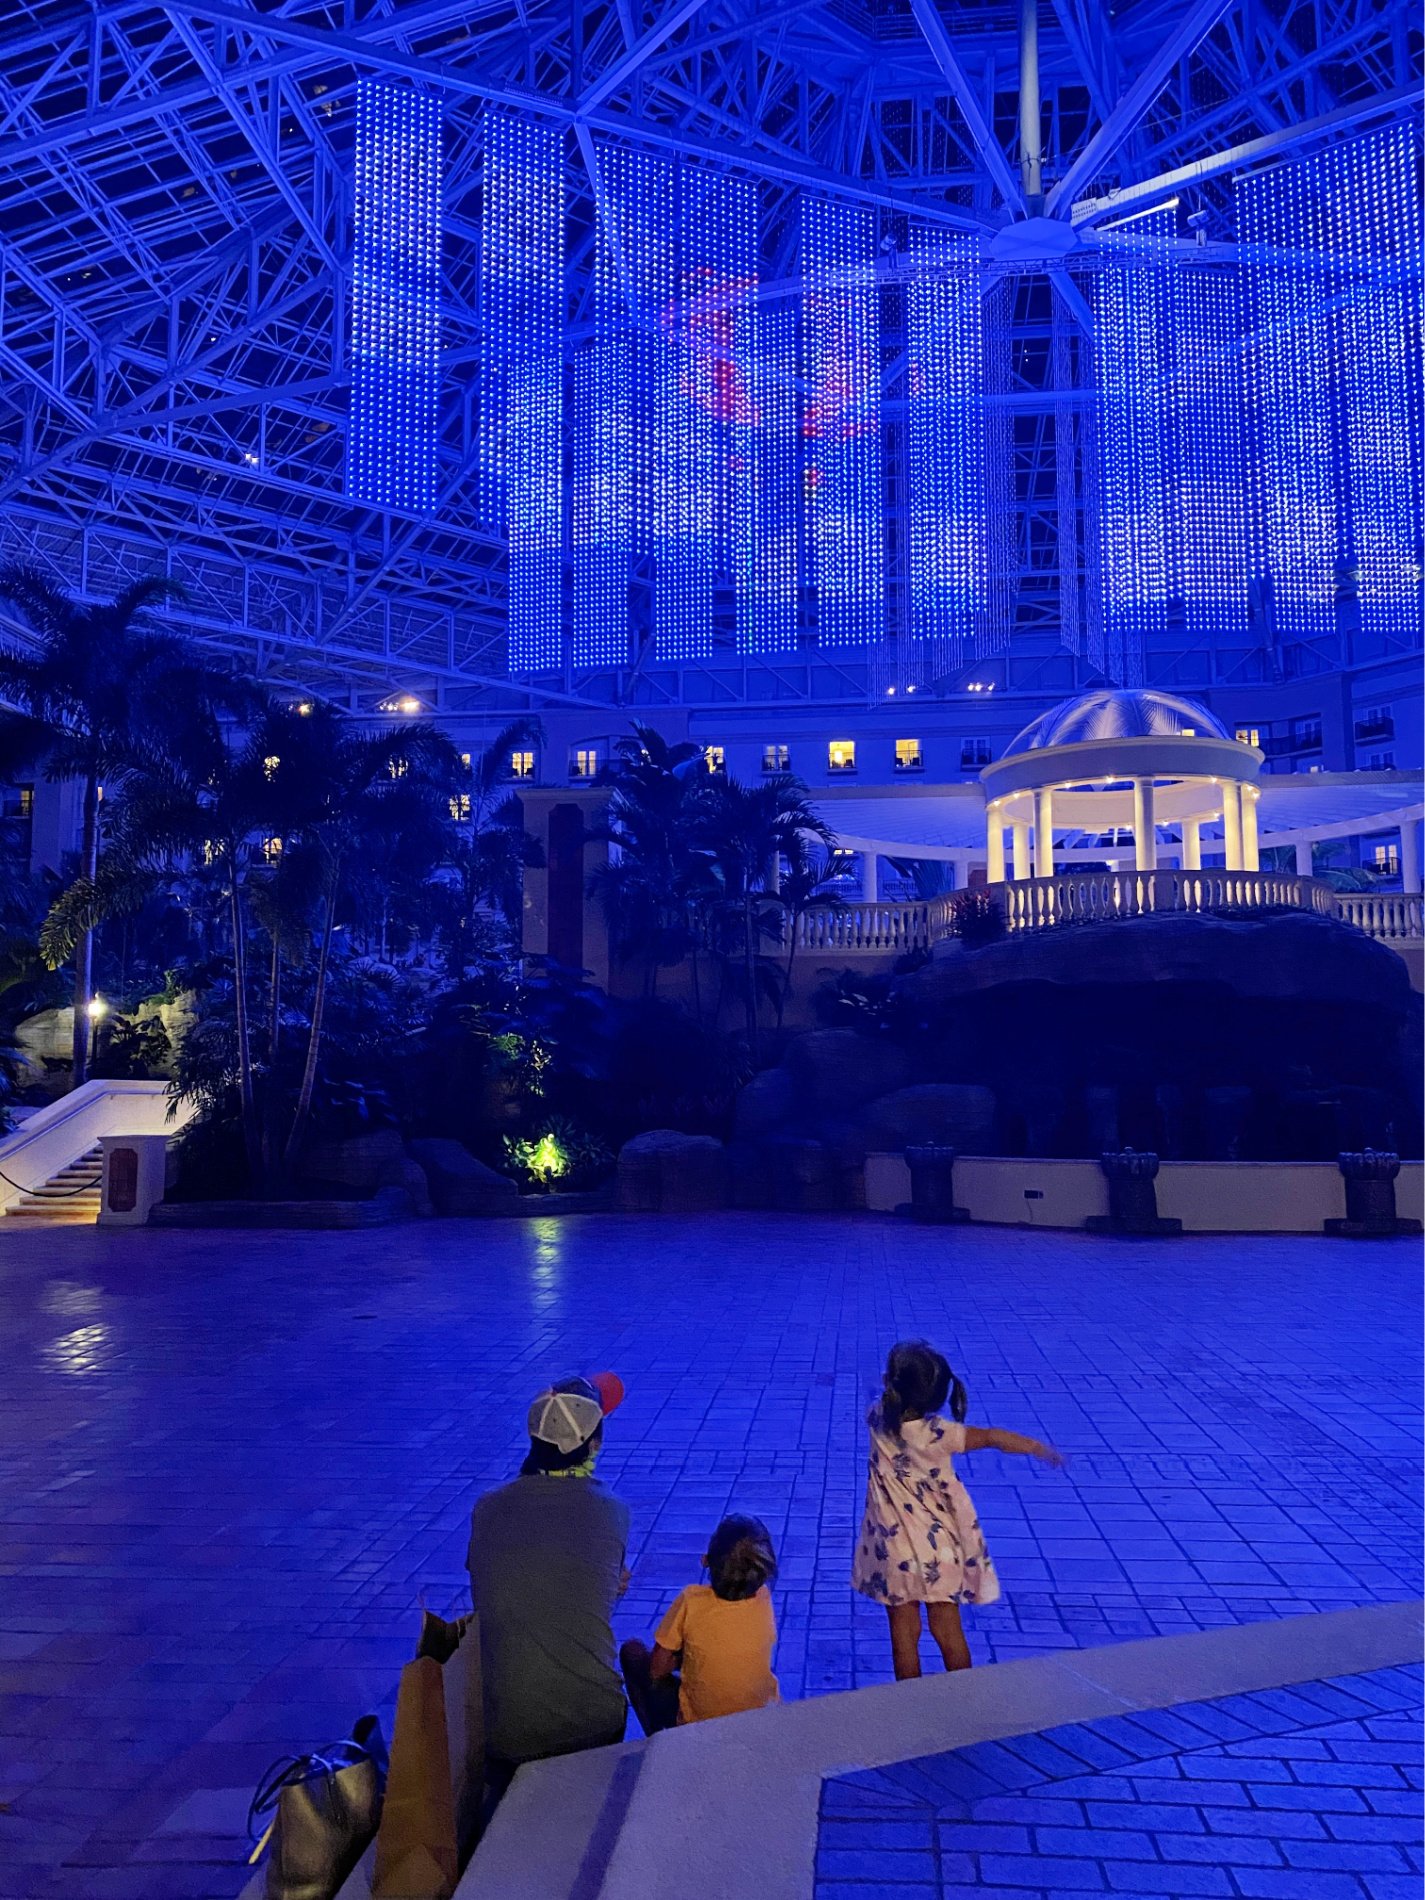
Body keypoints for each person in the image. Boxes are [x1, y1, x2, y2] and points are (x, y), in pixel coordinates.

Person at [853, 1340, 1063, 1681]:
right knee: (948, 1631)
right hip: (940, 1552)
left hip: (892, 1551)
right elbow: (993, 1437)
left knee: (903, 1636)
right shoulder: (942, 1434)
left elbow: (885, 1397)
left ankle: (910, 1702)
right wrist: (1038, 1448)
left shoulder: (878, 1418)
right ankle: (964, 1700)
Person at [467, 1372, 630, 1795]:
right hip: (590, 1723)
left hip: (504, 1729)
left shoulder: (486, 1509)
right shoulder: (610, 1512)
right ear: (593, 1446)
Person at [620, 1514, 780, 1735]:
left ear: (707, 1561)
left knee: (633, 1652)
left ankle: (661, 1738)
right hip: (759, 1716)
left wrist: (682, 1661)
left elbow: (657, 1669)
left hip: (701, 1727)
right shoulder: (763, 1598)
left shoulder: (691, 1600)